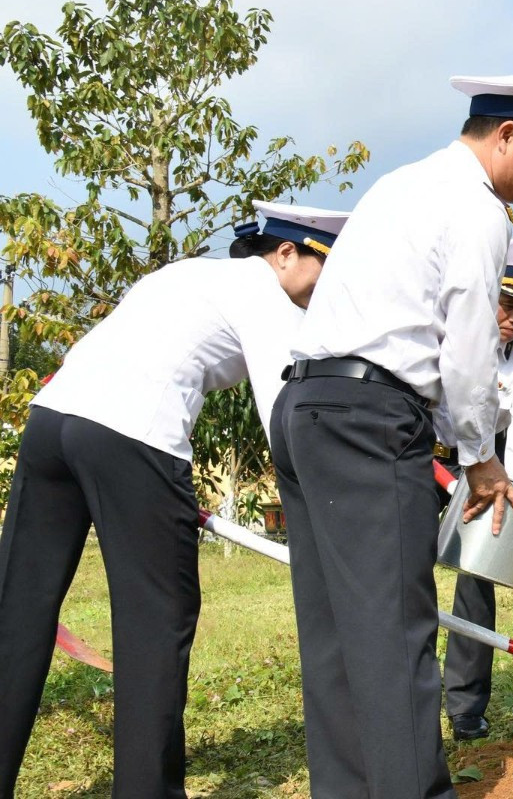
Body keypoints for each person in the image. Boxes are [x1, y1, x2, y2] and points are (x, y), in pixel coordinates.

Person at [273, 64, 513, 798]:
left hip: (307, 408)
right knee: (396, 635)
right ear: (507, 134)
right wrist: (479, 457)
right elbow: (468, 348)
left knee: (334, 641)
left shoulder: (398, 186)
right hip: (368, 422)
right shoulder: (477, 210)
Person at [0, 202, 348, 799]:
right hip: (132, 434)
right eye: (325, 267)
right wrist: (327, 511)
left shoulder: (187, 273)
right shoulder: (264, 294)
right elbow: (284, 415)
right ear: (285, 252)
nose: (326, 288)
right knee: (156, 621)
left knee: (18, 610)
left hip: (52, 422)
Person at [437, 235, 513, 741]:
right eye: (507, 303)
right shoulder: (440, 332)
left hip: (483, 473)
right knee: (402, 578)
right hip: (419, 457)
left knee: (477, 578)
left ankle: (466, 704)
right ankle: (405, 692)